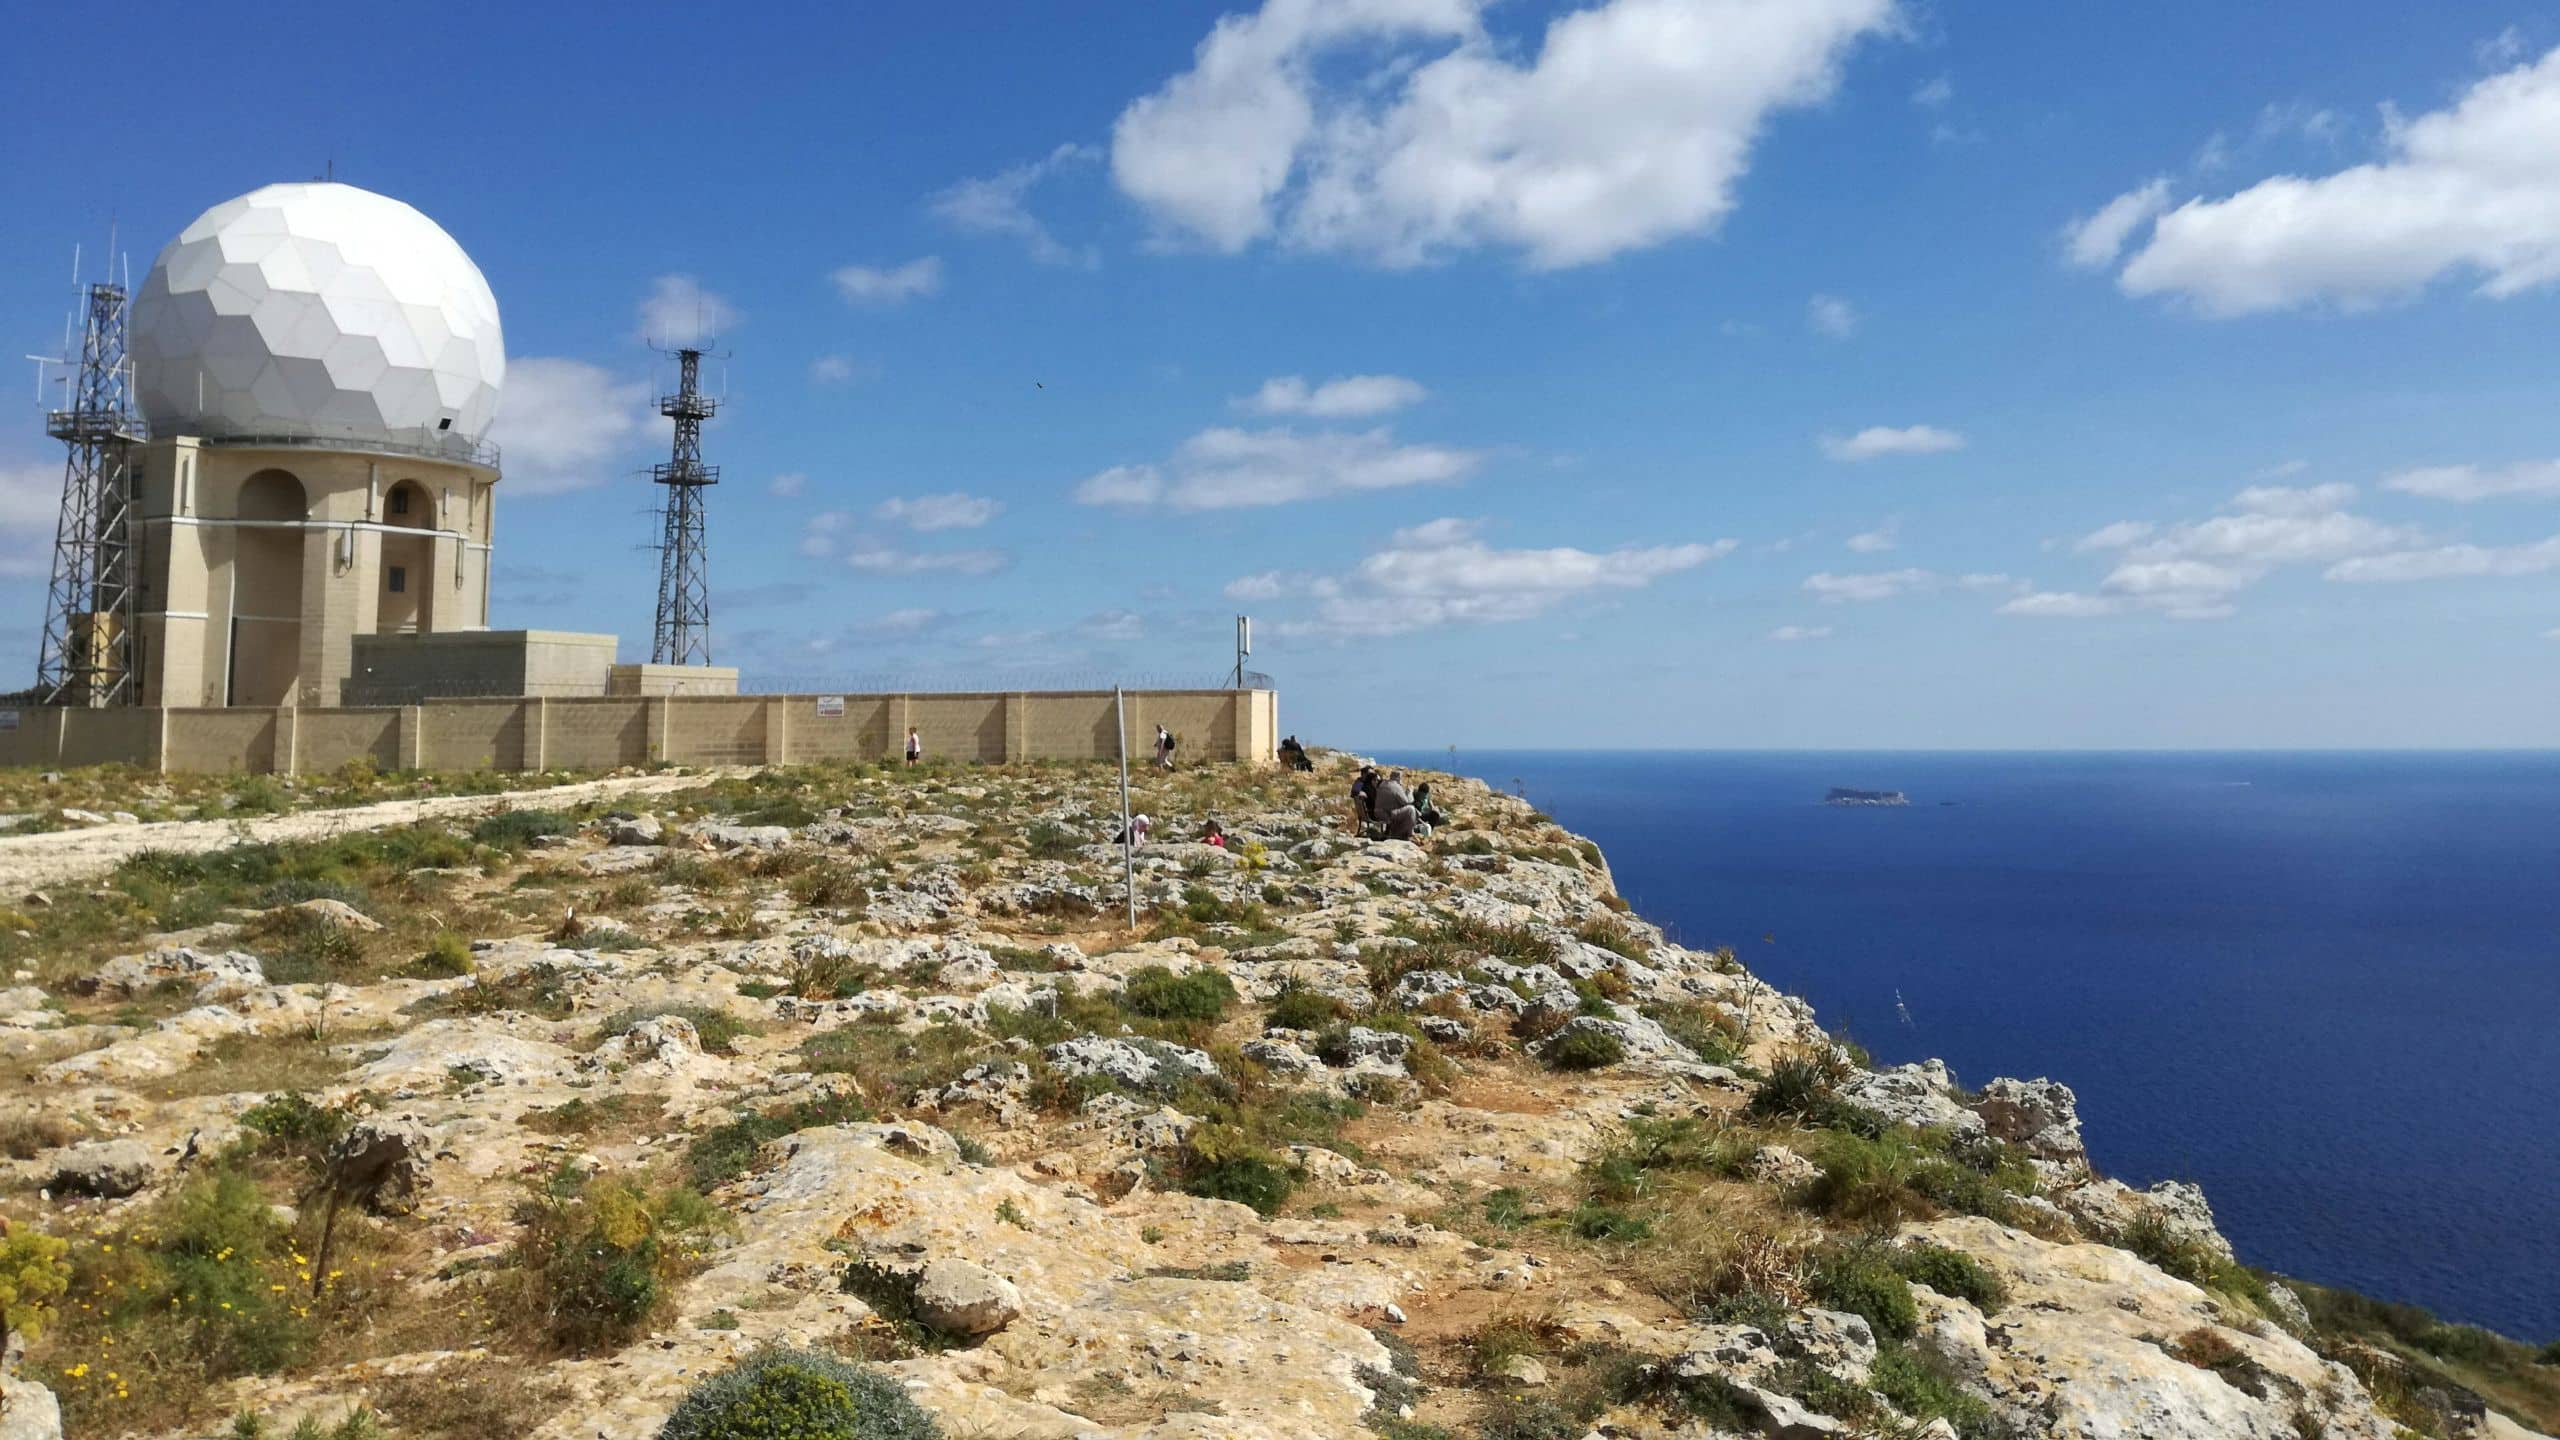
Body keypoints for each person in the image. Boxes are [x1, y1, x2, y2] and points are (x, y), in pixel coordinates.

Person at [1375, 770, 1419, 840]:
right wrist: (1410, 792)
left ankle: (1400, 832)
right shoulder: (1396, 787)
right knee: (1411, 809)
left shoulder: (1383, 784)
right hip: (1387, 814)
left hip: (1378, 812)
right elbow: (1407, 802)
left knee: (1409, 810)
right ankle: (1406, 833)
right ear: (1399, 778)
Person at [1350, 766, 1379, 834]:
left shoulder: (1369, 783)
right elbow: (1354, 790)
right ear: (1364, 774)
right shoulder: (1360, 782)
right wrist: (1359, 792)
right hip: (1371, 813)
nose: (1372, 775)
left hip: (1368, 813)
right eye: (1370, 774)